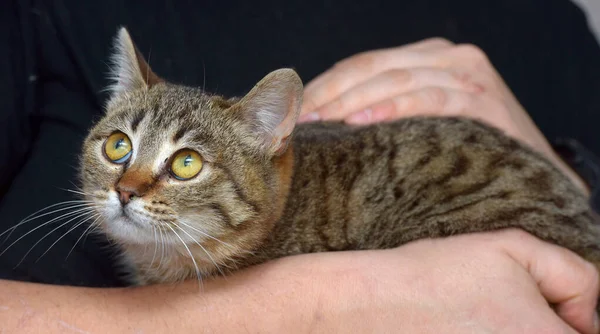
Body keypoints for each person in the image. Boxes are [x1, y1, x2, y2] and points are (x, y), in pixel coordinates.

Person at [2, 1, 600, 333]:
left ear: (270, 143)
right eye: (117, 149)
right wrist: (321, 302)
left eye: (183, 163)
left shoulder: (552, 24)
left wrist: (573, 175)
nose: (130, 187)